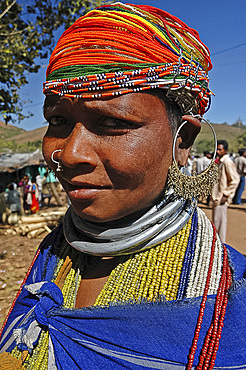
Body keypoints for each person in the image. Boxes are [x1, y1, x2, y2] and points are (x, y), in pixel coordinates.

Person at [0, 4, 245, 369]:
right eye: (59, 119)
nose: (69, 154)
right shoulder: (50, 257)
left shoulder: (229, 299)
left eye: (112, 121)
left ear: (183, 139)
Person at [211, 140, 240, 242]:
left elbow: (235, 180)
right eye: (217, 149)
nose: (217, 151)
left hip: (221, 198)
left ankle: (220, 249)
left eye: (220, 149)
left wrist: (226, 194)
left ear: (225, 150)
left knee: (220, 227)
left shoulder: (227, 162)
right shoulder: (220, 162)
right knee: (216, 224)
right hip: (216, 197)